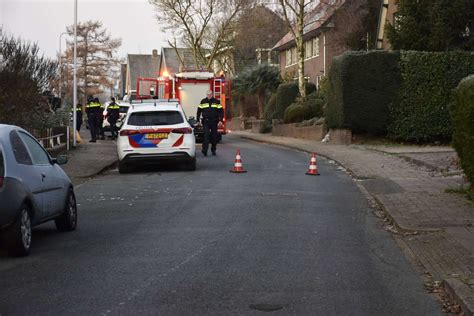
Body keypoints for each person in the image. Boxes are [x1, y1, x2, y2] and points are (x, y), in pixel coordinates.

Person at [196, 90, 223, 156]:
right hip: (206, 121)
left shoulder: (216, 102)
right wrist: (197, 120)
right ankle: (204, 150)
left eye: (210, 94)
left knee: (214, 137)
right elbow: (199, 111)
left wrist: (220, 120)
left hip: (214, 121)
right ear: (206, 95)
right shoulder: (203, 101)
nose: (209, 95)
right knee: (206, 137)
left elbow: (221, 111)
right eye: (208, 94)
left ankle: (213, 150)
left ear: (212, 94)